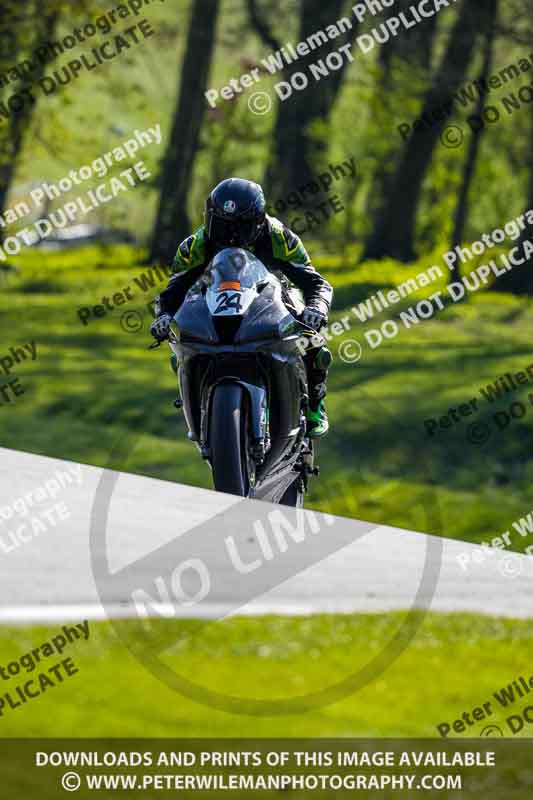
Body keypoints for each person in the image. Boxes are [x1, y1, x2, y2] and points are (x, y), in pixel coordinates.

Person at [150, 178, 333, 437]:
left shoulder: (280, 237)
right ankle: (197, 396)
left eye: (240, 228)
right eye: (223, 226)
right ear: (209, 219)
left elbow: (316, 282)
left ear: (258, 222)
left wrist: (316, 308)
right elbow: (172, 292)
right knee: (181, 342)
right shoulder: (194, 246)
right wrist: (163, 316)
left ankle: (315, 405)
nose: (231, 236)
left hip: (270, 297)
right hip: (214, 299)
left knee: (313, 340)